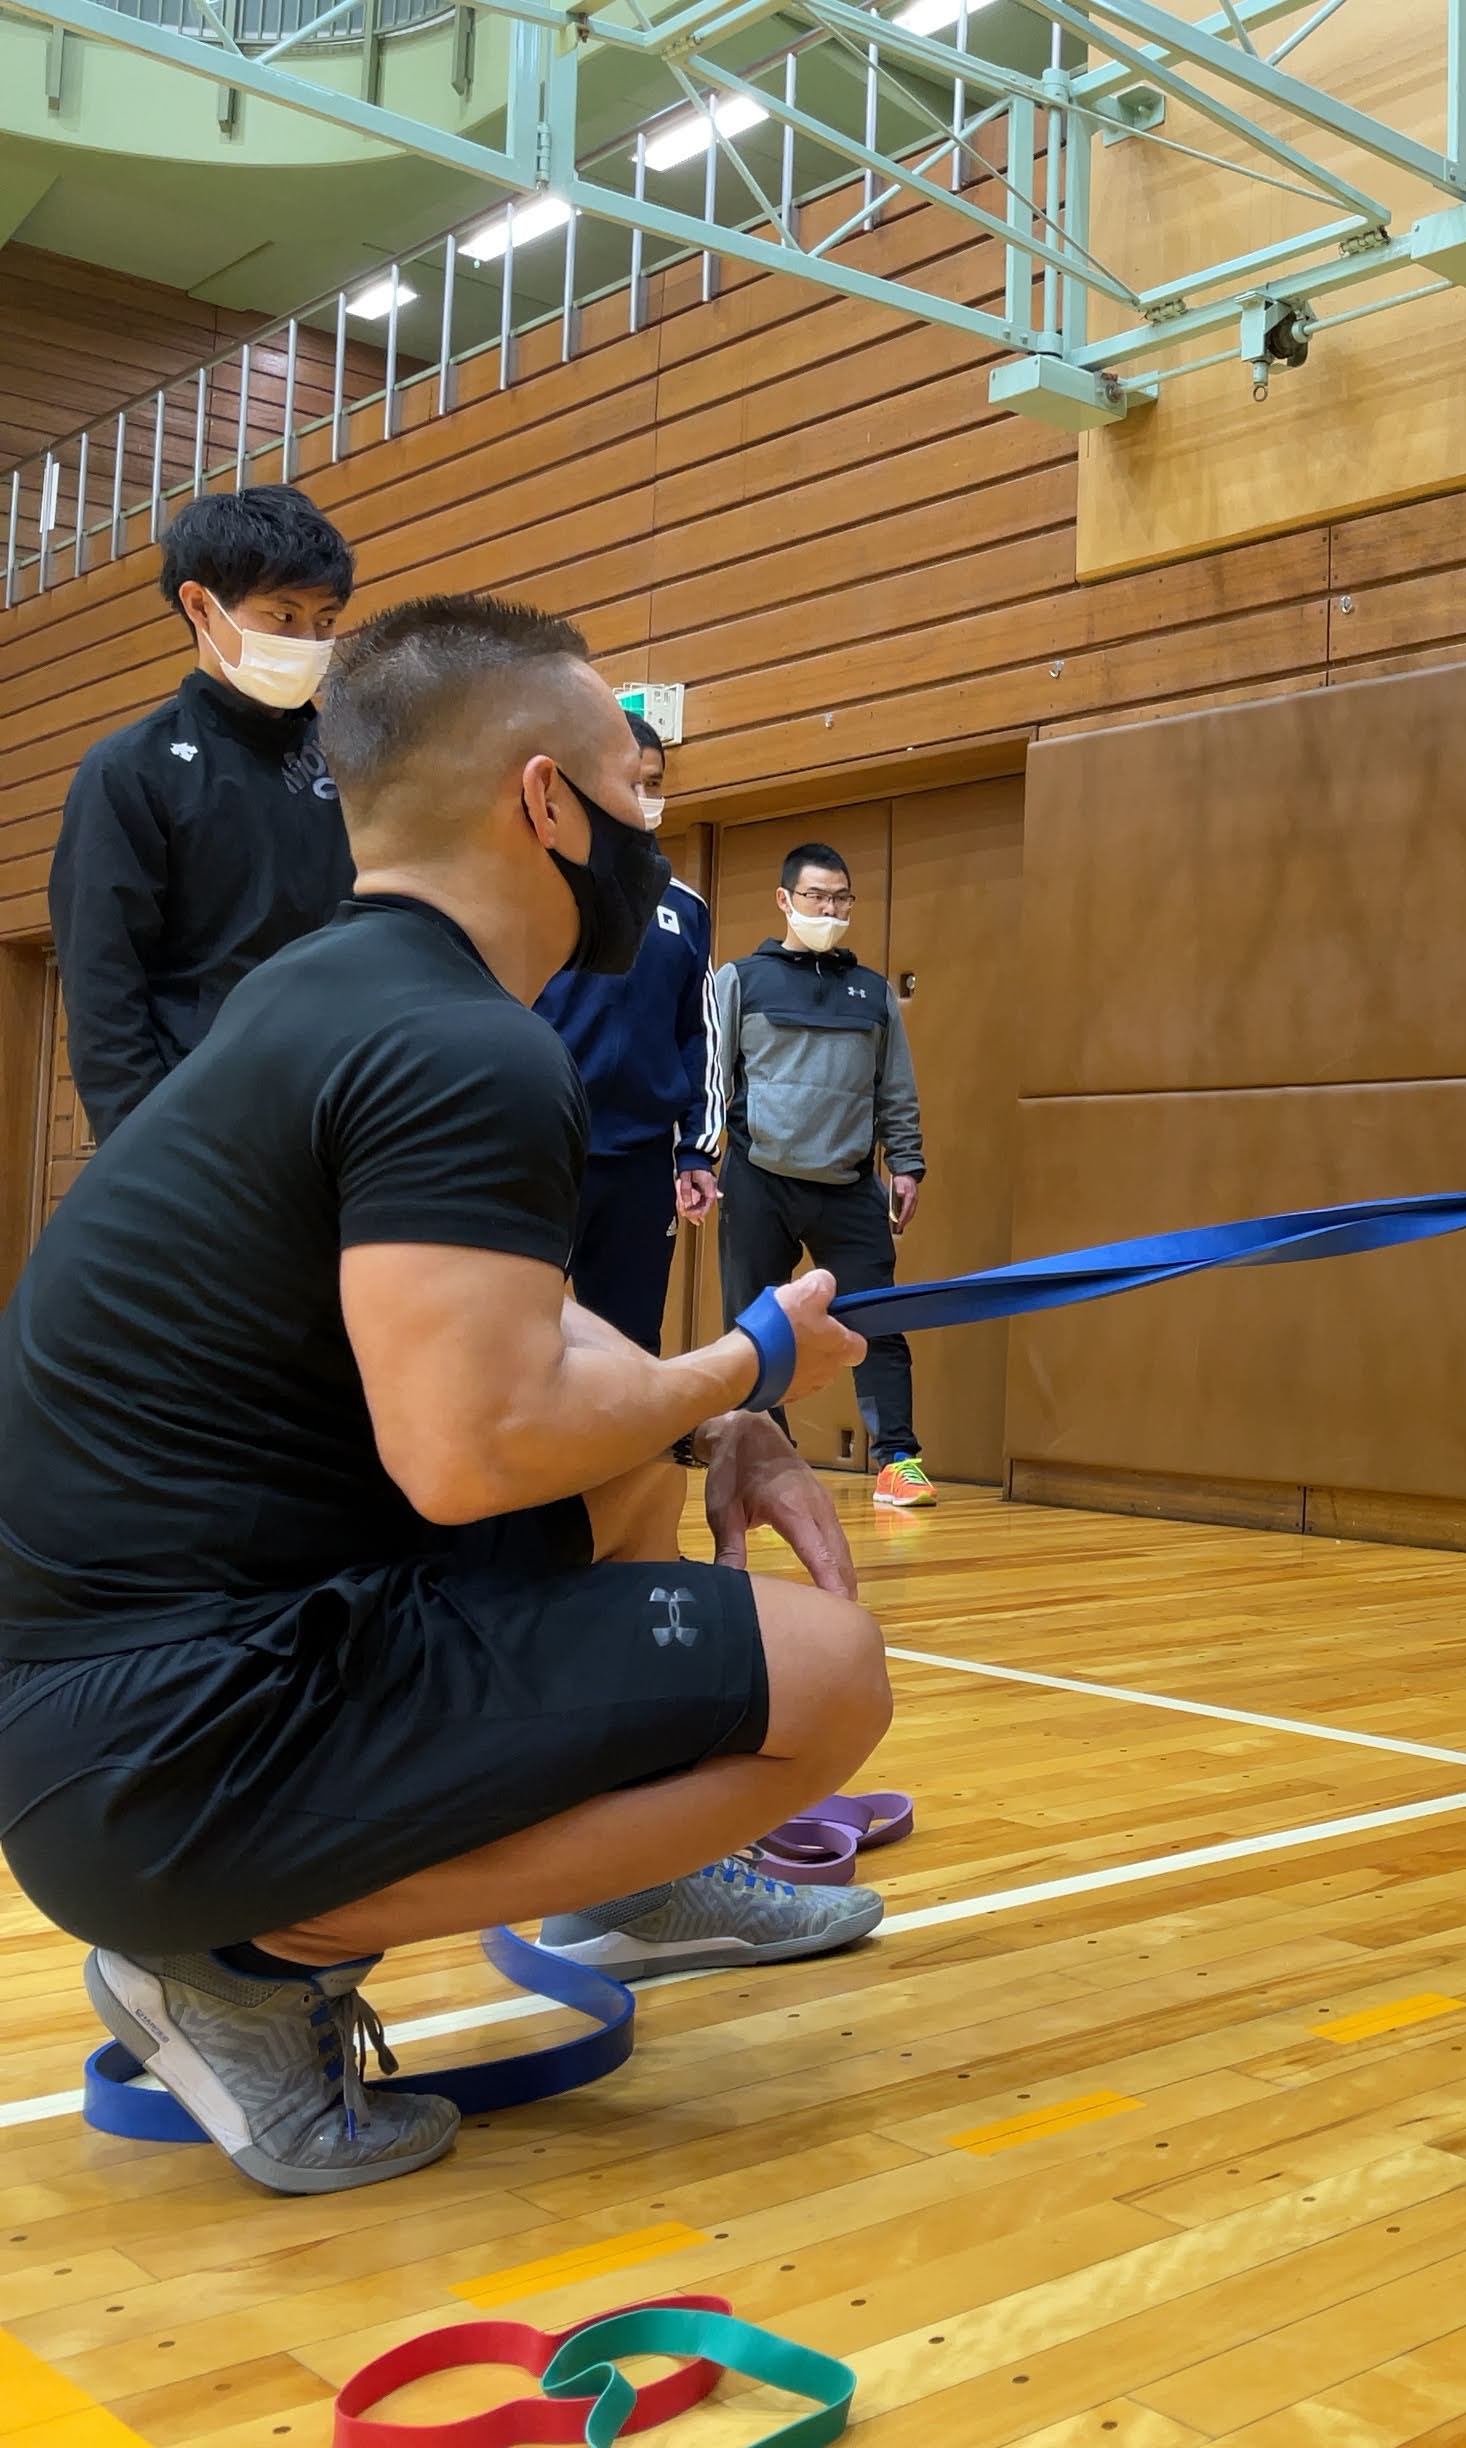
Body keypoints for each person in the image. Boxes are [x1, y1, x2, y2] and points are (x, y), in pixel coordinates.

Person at [0, 594, 896, 2196]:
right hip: (173, 1766)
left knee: (624, 1447)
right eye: (633, 788)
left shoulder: (328, 990)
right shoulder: (465, 1049)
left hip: (107, 1723)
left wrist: (710, 1418)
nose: (650, 828)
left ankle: (626, 1886)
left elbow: (539, 1342)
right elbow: (470, 1456)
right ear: (545, 802)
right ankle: (240, 1966)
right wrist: (756, 1358)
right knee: (830, 1678)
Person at [49, 485, 358, 1143]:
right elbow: (105, 996)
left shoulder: (358, 760)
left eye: (326, 621)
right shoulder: (130, 770)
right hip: (206, 1135)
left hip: (350, 1114)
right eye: (283, 616)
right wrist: (145, 1157)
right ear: (200, 606)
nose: (308, 641)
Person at [697, 845, 935, 1509]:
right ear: (785, 900)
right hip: (759, 1180)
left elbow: (895, 1087)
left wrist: (906, 1162)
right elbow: (710, 1080)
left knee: (879, 1322)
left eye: (840, 898)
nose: (829, 909)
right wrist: (698, 1158)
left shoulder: (873, 992)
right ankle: (767, 1460)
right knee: (755, 1328)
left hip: (850, 1185)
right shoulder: (740, 980)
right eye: (816, 897)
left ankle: (898, 1462)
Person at [533, 714, 715, 1351]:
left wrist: (697, 1150)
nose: (643, 795)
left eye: (654, 782)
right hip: (545, 1145)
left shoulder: (687, 910)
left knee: (632, 1344)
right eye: (628, 780)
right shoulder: (540, 885)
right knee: (520, 1332)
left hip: (642, 1163)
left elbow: (699, 1034)